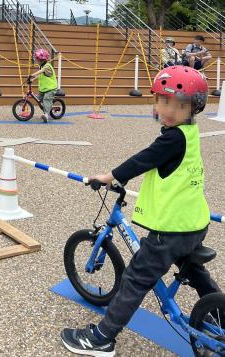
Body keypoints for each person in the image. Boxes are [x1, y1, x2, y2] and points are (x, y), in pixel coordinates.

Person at [61, 65, 221, 356]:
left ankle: (102, 338)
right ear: (155, 101)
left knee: (135, 279)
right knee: (192, 270)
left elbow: (143, 160)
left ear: (193, 108)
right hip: (193, 224)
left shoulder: (172, 139)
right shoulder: (189, 132)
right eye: (165, 101)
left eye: (180, 105)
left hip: (171, 229)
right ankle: (219, 311)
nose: (170, 110)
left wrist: (109, 176)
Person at [29, 48, 58, 123]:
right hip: (43, 88)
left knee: (46, 99)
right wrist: (33, 79)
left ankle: (46, 115)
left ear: (42, 60)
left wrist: (32, 75)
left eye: (37, 59)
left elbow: (41, 71)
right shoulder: (41, 66)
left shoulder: (47, 66)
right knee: (38, 99)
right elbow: (41, 75)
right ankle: (49, 108)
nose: (36, 61)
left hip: (51, 88)